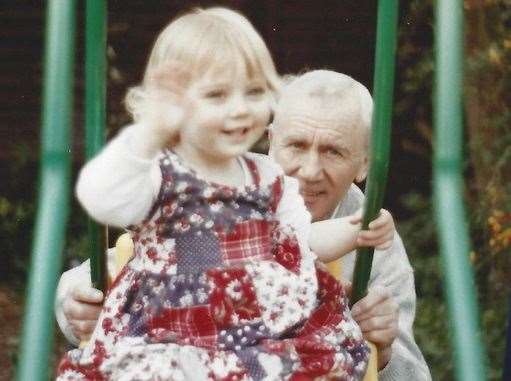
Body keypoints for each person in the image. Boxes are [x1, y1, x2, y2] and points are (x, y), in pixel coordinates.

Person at [56, 8, 395, 380]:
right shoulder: (159, 171)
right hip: (170, 325)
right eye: (217, 96)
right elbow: (105, 198)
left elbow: (299, 241)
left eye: (252, 93)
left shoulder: (265, 177)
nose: (237, 111)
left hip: (255, 332)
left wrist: (355, 231)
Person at [268, 70, 431, 380]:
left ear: (365, 164)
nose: (311, 170)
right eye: (297, 146)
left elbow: (412, 375)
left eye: (333, 151)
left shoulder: (373, 237)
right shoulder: (224, 197)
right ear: (271, 143)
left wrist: (382, 354)